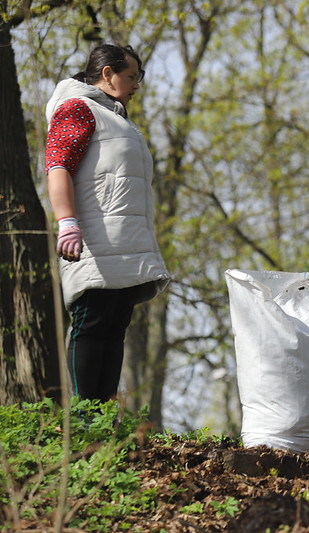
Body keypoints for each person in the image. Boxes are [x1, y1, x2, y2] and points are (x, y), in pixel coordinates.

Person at [45, 43, 170, 402]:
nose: (136, 86)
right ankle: (84, 417)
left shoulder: (118, 119)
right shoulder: (78, 109)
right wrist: (66, 221)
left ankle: (101, 418)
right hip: (93, 243)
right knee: (92, 324)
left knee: (115, 329)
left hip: (124, 243)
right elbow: (58, 166)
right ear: (107, 74)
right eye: (131, 77)